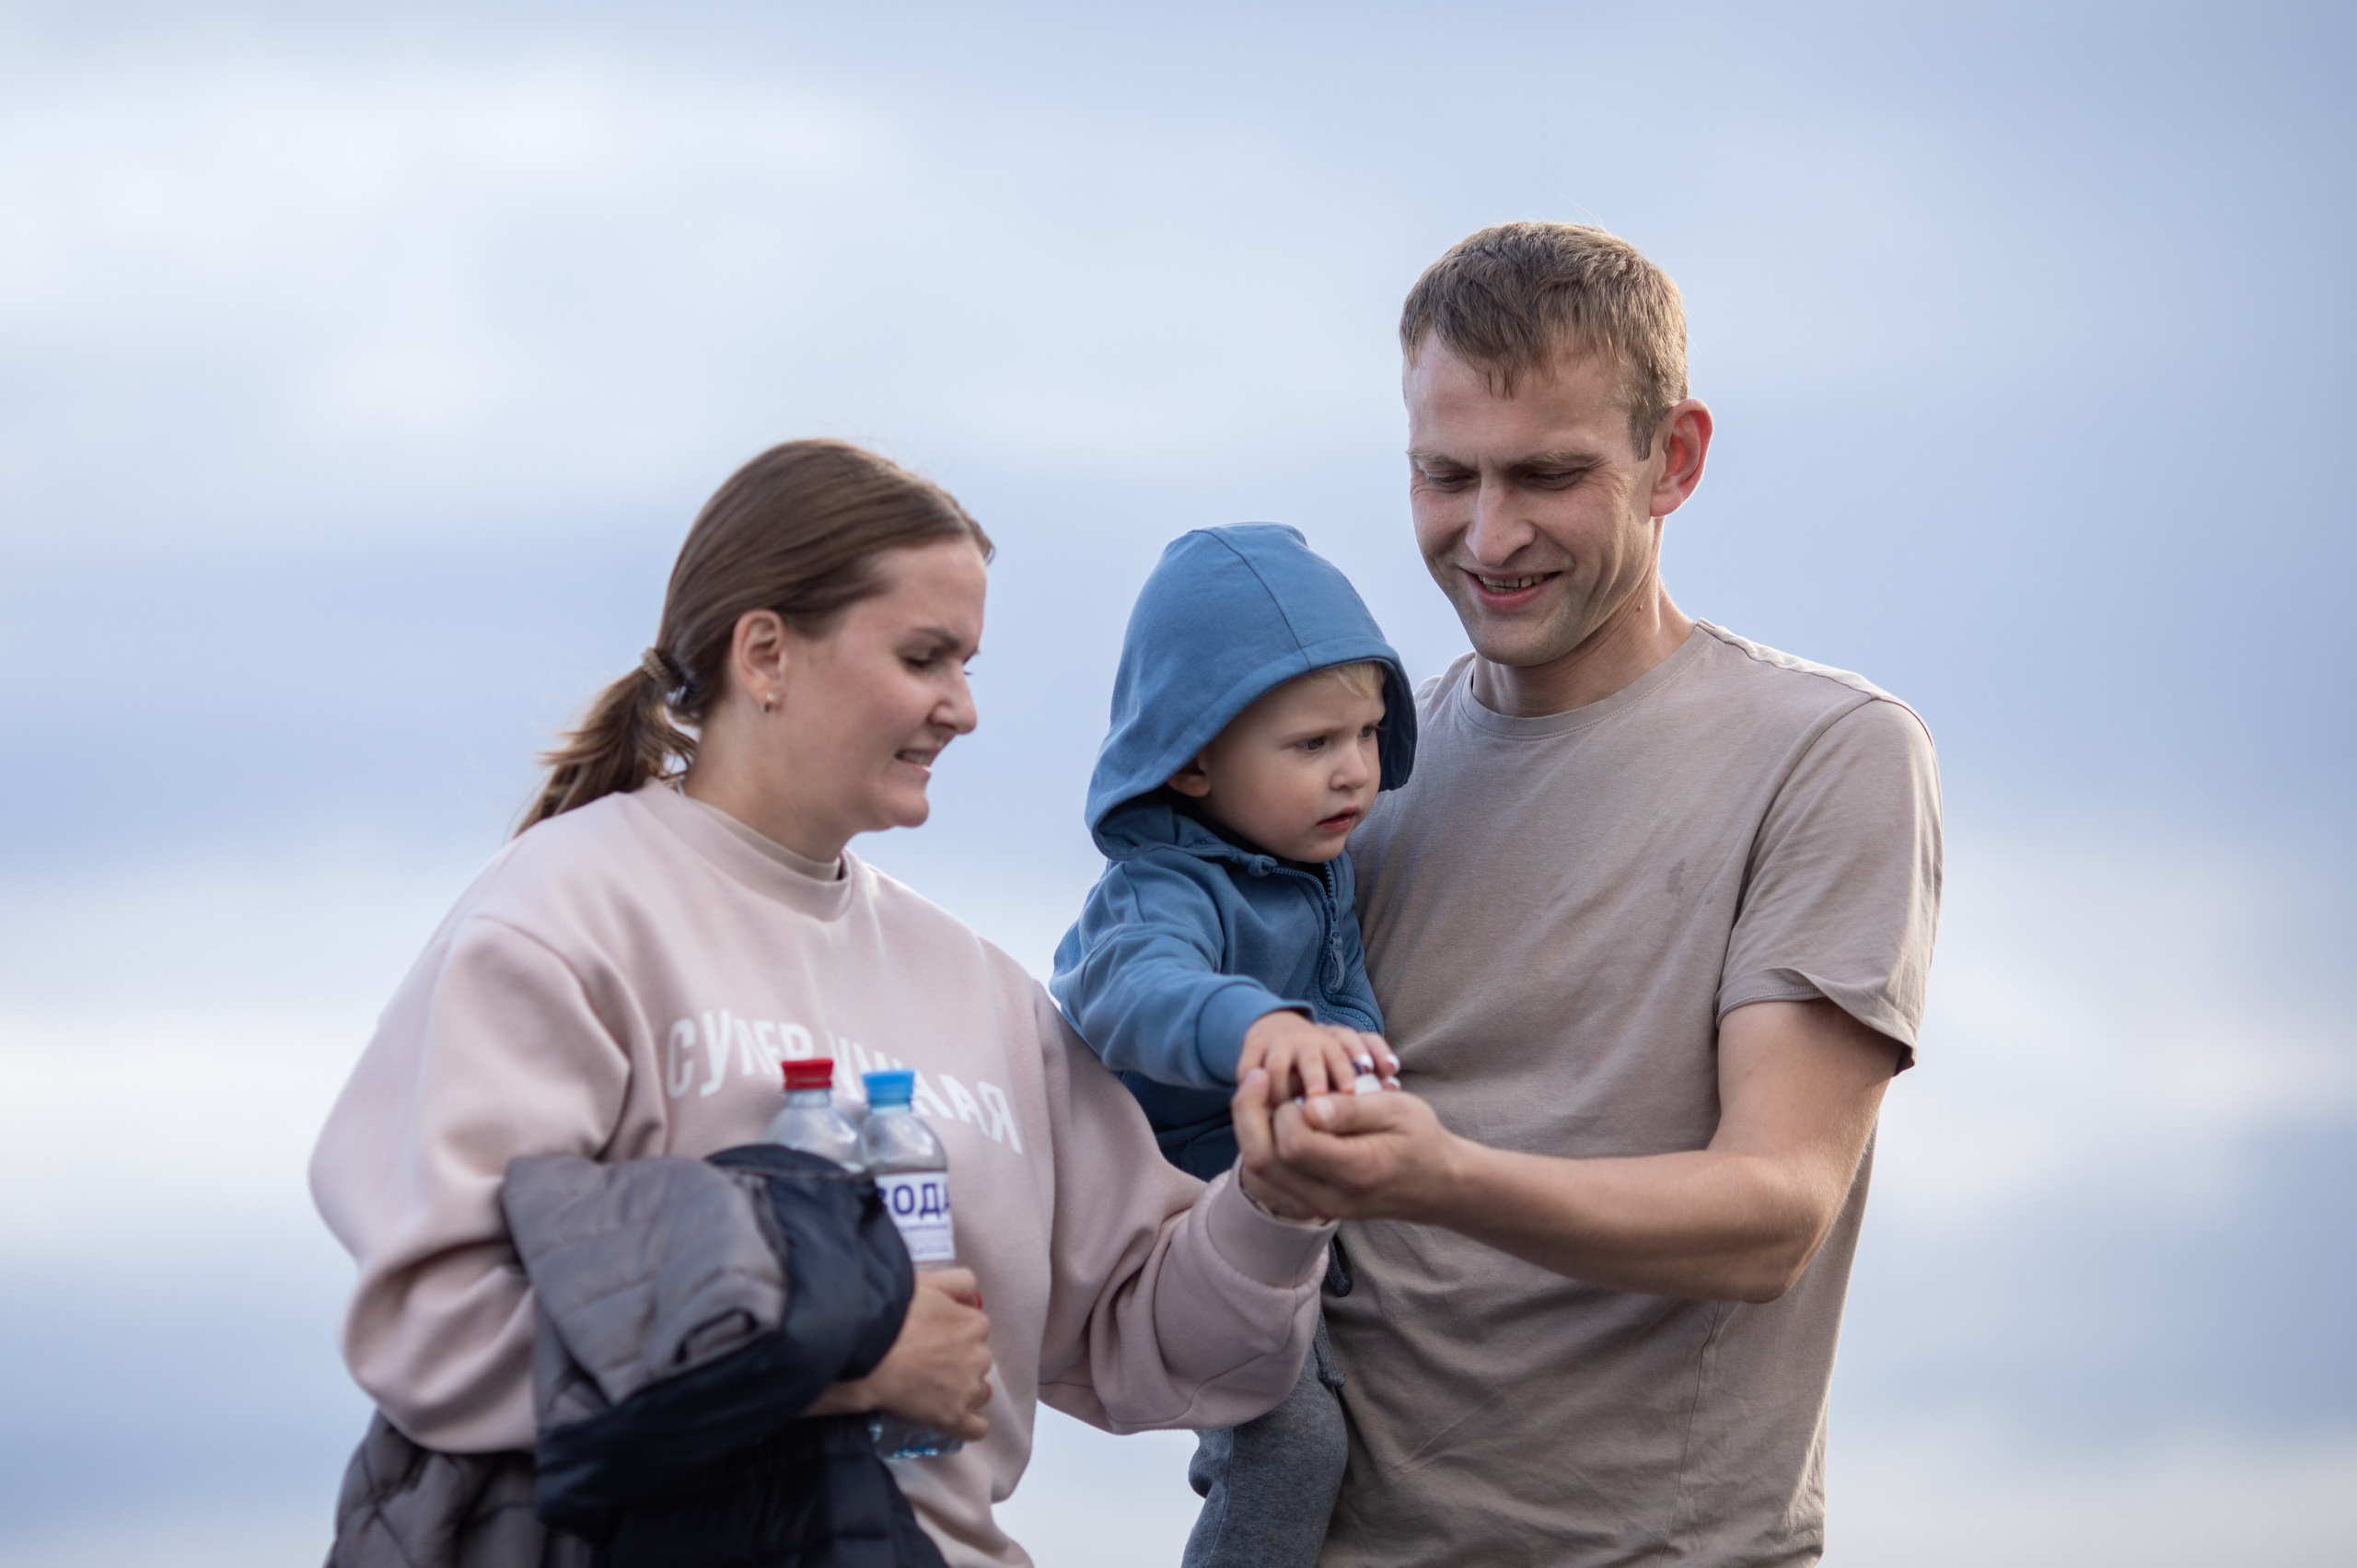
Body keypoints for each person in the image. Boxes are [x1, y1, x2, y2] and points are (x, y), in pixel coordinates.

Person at [309, 440, 1338, 1568]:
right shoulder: (563, 915)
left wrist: (1276, 1197)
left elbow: (1167, 1350)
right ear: (765, 652)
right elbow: (434, 1328)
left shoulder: (980, 988)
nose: (963, 708)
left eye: (969, 664)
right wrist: (843, 1369)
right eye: (923, 656)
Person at [1233, 223, 1945, 1566]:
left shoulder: (1829, 752)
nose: (1489, 534)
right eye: (1446, 476)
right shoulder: (1358, 773)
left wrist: (1441, 1173)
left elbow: (1774, 1207)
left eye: (1548, 475)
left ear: (1673, 458)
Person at [1048, 524, 1413, 1568]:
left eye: (1367, 732)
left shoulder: (1316, 866)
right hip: (1136, 1211)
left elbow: (1342, 991)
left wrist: (1350, 1058)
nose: (1354, 773)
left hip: (1253, 1209)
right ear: (1196, 761)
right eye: (1311, 746)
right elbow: (1136, 990)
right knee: (1292, 1444)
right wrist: (1260, 1026)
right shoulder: (1159, 886)